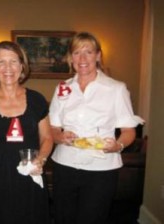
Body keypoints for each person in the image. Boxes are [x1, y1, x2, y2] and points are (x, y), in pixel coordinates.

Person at [49, 32, 144, 224]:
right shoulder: (62, 88)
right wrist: (59, 137)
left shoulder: (116, 88)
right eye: (77, 53)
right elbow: (52, 127)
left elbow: (128, 131)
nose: (82, 59)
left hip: (101, 169)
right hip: (64, 166)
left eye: (89, 52)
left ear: (98, 56)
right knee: (62, 218)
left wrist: (117, 146)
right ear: (70, 58)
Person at [0, 41, 53, 224]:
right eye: (1, 62)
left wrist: (42, 158)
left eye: (13, 61)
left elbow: (47, 138)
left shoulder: (37, 100)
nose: (8, 68)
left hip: (30, 183)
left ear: (22, 66)